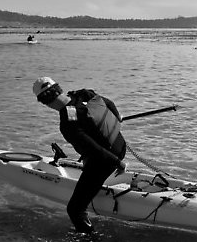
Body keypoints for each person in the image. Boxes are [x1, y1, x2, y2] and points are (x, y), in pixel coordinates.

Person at [32, 77, 128, 233]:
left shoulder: (67, 123)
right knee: (89, 166)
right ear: (59, 89)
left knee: (75, 210)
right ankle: (94, 187)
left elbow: (94, 148)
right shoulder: (84, 94)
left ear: (45, 103)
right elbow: (109, 103)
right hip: (120, 145)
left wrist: (118, 163)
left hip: (107, 160)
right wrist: (116, 119)